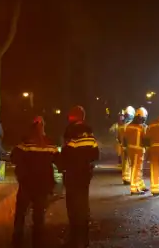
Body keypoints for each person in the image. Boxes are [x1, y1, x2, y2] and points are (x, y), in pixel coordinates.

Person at [11, 116, 59, 248]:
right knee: (38, 215)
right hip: (43, 185)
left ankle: (17, 240)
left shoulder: (25, 143)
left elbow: (14, 158)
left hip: (26, 183)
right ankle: (37, 242)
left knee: (21, 213)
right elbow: (59, 160)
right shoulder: (49, 143)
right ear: (43, 126)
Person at [60, 105, 99, 248]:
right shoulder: (90, 131)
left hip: (72, 173)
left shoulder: (70, 130)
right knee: (83, 204)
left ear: (73, 117)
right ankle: (84, 239)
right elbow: (95, 154)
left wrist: (61, 165)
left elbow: (66, 151)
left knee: (72, 206)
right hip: (85, 173)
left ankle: (74, 238)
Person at [123, 107, 148, 195]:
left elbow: (124, 139)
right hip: (138, 151)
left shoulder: (129, 126)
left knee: (135, 168)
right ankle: (134, 188)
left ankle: (139, 186)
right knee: (136, 169)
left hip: (130, 150)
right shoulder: (141, 127)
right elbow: (145, 140)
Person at [117, 106, 135, 185]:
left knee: (125, 162)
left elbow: (119, 137)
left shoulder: (122, 126)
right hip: (130, 147)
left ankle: (125, 177)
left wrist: (122, 145)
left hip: (124, 146)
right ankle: (129, 178)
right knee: (130, 163)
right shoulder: (132, 126)